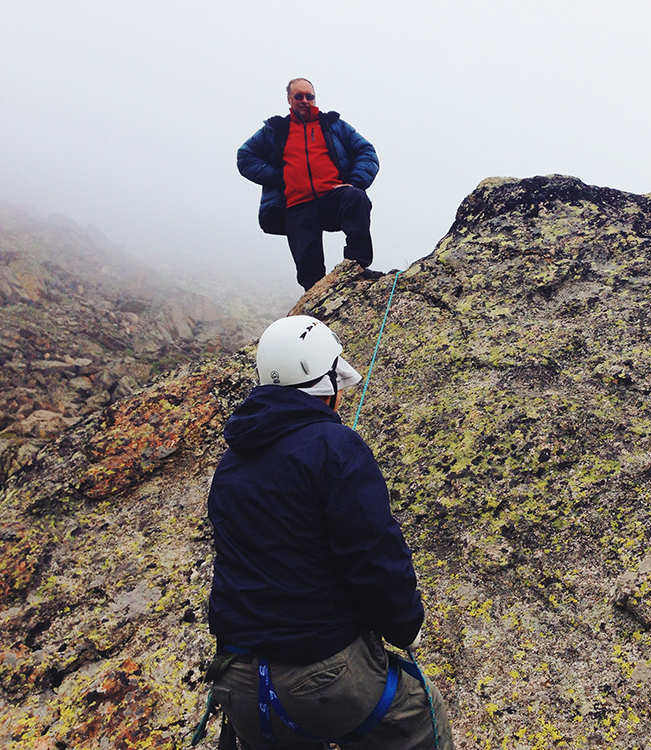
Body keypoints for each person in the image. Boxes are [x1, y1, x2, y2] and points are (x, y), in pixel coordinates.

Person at [206, 315, 454, 749]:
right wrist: (405, 625)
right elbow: (373, 553)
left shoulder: (230, 465)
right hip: (323, 678)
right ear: (326, 385)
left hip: (239, 684)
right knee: (420, 718)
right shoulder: (336, 448)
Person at [238, 78, 380, 291]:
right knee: (308, 268)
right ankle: (315, 302)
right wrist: (279, 176)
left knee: (356, 198)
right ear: (289, 99)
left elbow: (366, 152)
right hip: (297, 204)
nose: (305, 100)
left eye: (309, 96)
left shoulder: (333, 125)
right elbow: (245, 156)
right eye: (299, 96)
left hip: (332, 195)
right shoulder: (276, 130)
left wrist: (355, 183)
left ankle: (356, 268)